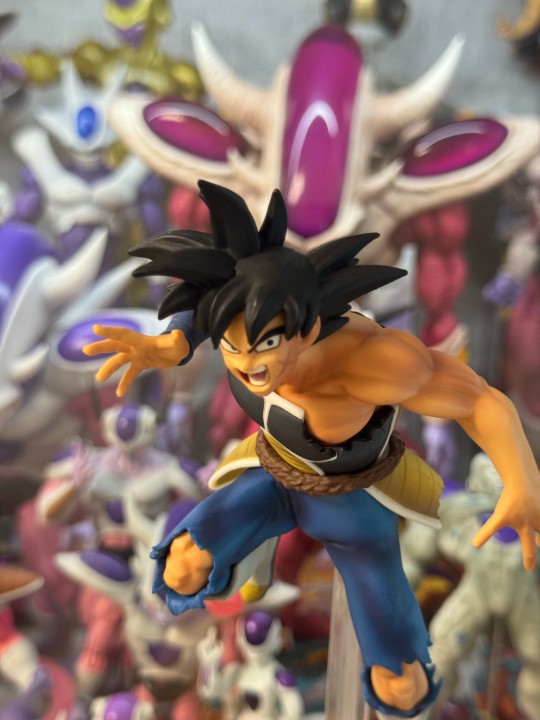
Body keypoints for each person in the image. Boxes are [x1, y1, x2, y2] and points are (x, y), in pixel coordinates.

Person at [83, 180, 540, 720]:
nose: (248, 364)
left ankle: (395, 664)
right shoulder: (233, 320)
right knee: (183, 567)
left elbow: (480, 401)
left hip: (353, 502)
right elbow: (207, 302)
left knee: (399, 685)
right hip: (273, 474)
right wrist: (173, 343)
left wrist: (522, 480)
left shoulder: (369, 362)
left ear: (306, 328)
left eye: (267, 345)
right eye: (233, 347)